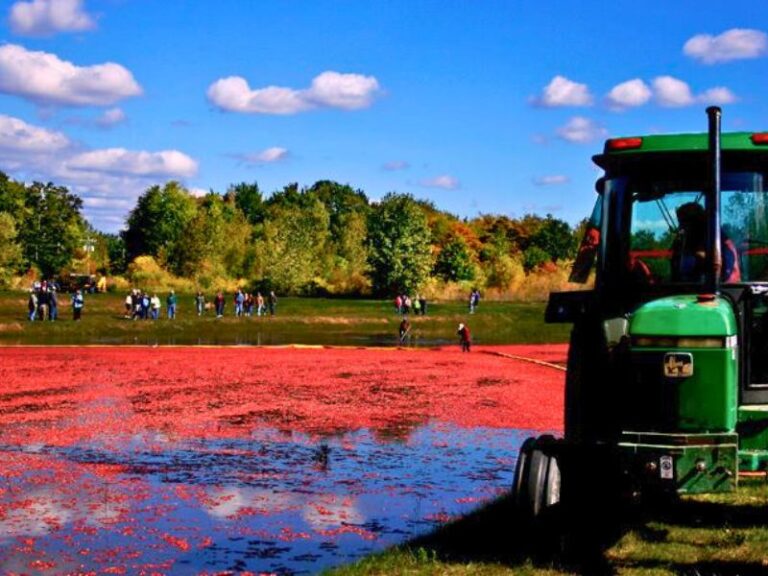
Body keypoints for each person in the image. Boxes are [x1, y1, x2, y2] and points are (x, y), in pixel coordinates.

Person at [671, 202, 741, 283]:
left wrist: (703, 257)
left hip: (724, 290)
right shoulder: (686, 244)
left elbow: (724, 272)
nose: (681, 228)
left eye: (684, 224)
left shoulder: (719, 242)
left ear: (696, 223)